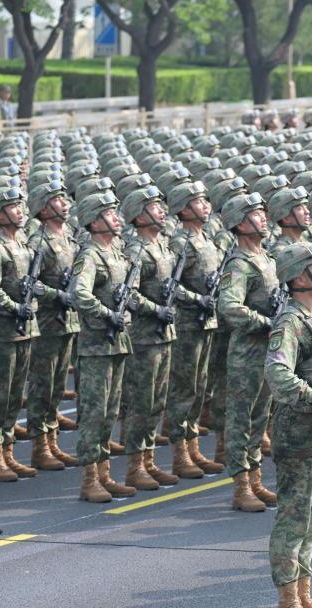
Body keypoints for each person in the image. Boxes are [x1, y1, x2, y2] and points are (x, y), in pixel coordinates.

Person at [264, 241, 312, 608]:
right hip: (299, 435)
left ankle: (303, 592)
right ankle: (288, 597)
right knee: (294, 520)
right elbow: (277, 373)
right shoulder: (291, 321)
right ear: (298, 277)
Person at [70, 191, 136, 503]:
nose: (116, 218)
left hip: (118, 343)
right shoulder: (90, 256)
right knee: (94, 413)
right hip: (96, 346)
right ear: (94, 222)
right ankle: (89, 479)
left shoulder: (117, 253)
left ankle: (104, 473)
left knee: (110, 413)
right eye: (108, 214)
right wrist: (107, 314)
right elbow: (79, 293)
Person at [219, 192, 279, 512]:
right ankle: (241, 485)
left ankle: (255, 478)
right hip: (247, 354)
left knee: (259, 418)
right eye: (255, 214)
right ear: (240, 224)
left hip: (267, 350)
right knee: (241, 420)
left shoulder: (266, 258)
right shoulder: (240, 264)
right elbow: (229, 306)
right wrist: (265, 322)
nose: (263, 218)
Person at [119, 186, 181, 490]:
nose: (162, 211)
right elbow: (129, 295)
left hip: (164, 334)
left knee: (157, 402)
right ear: (139, 215)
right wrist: (157, 310)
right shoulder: (137, 251)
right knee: (141, 403)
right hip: (144, 338)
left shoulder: (164, 247)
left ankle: (149, 460)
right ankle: (135, 466)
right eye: (154, 207)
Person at [165, 181, 225, 479]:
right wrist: (197, 299)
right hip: (187, 325)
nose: (205, 206)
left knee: (200, 388)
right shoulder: (181, 243)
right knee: (184, 389)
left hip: (206, 323)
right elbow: (171, 287)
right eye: (198, 202)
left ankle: (194, 446)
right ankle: (180, 452)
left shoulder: (206, 239)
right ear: (184, 209)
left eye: (205, 201)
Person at [0, 184, 40, 484]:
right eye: (12, 207)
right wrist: (15, 307)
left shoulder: (23, 243)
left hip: (25, 329)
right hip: (3, 332)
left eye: (19, 205)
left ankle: (8, 452)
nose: (19, 211)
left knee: (16, 395)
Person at [24, 180, 80, 470]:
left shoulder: (68, 237)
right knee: (42, 385)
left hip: (67, 322)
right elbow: (30, 284)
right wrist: (58, 295)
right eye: (58, 200)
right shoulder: (38, 242)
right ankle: (39, 446)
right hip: (47, 322)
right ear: (44, 210)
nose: (65, 204)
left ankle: (52, 440)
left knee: (58, 384)